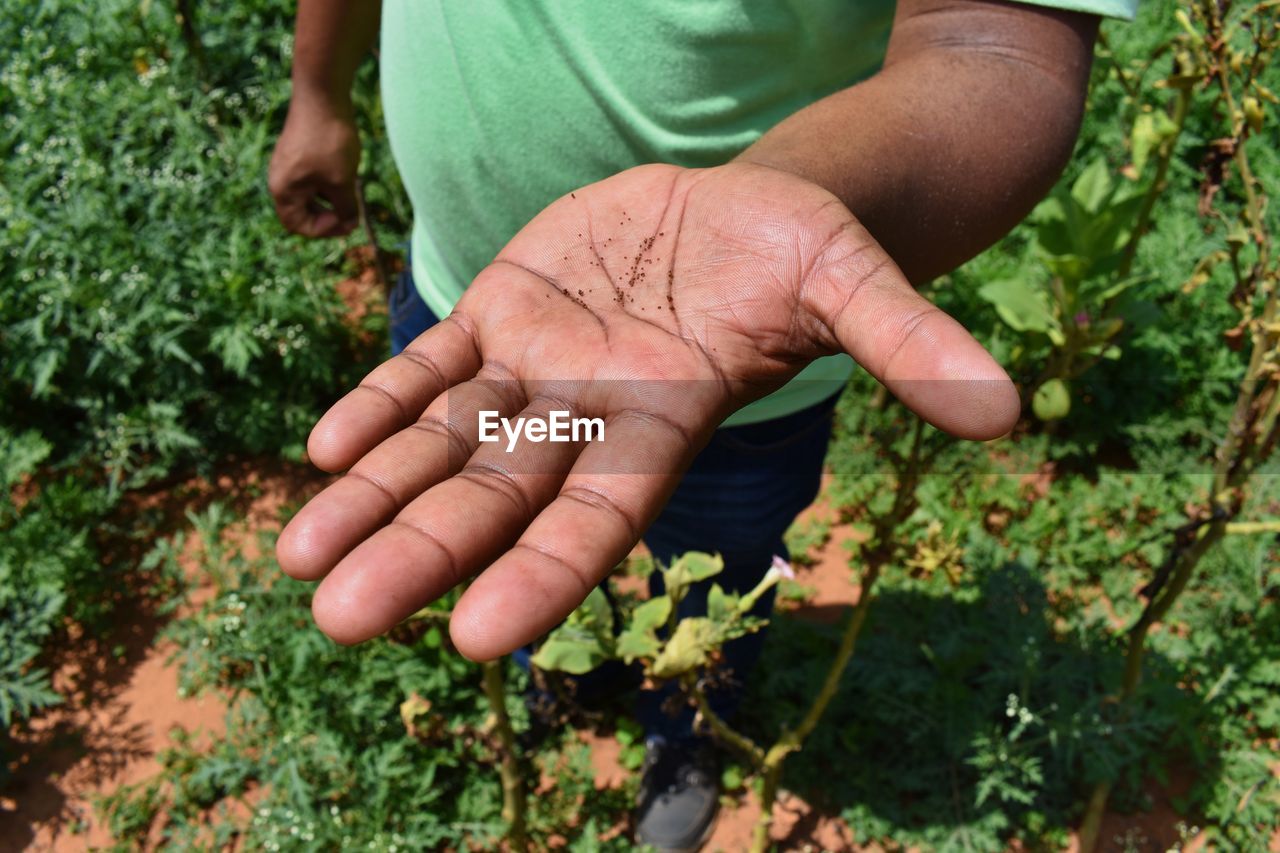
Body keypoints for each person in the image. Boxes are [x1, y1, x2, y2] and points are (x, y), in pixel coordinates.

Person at [268, 1, 1133, 848]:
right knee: (506, 534)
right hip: (471, 325)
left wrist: (776, 202)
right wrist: (317, 89)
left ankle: (687, 722)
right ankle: (565, 672)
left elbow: (996, 46)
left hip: (735, 359)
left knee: (721, 566)